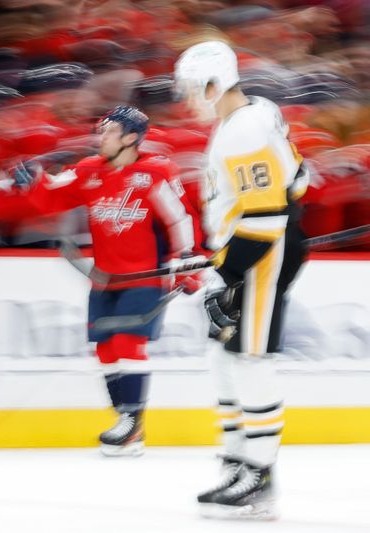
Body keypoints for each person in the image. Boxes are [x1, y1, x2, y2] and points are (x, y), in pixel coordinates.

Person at [13, 105, 202, 457]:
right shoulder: (89, 171)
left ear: (131, 137)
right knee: (105, 350)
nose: (101, 137)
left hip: (146, 277)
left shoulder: (156, 172)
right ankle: (127, 424)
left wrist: (189, 263)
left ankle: (131, 422)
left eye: (110, 131)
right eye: (101, 130)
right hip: (105, 278)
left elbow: (180, 219)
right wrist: (32, 182)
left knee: (129, 343)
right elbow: (53, 195)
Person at [174, 40, 309, 520]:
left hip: (261, 252)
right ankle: (238, 461)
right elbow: (299, 176)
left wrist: (222, 275)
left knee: (251, 358)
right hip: (249, 247)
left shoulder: (242, 131)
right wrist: (218, 258)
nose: (187, 99)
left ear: (214, 84)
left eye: (192, 89)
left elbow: (265, 220)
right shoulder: (257, 112)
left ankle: (260, 472)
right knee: (225, 357)